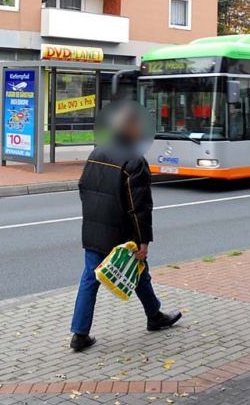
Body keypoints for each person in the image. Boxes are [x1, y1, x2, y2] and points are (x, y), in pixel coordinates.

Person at [70, 104, 181, 352]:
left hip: (94, 229)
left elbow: (83, 188)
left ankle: (80, 333)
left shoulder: (97, 152)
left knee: (92, 278)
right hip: (122, 233)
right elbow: (139, 206)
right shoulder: (134, 161)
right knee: (139, 267)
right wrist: (143, 241)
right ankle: (154, 316)